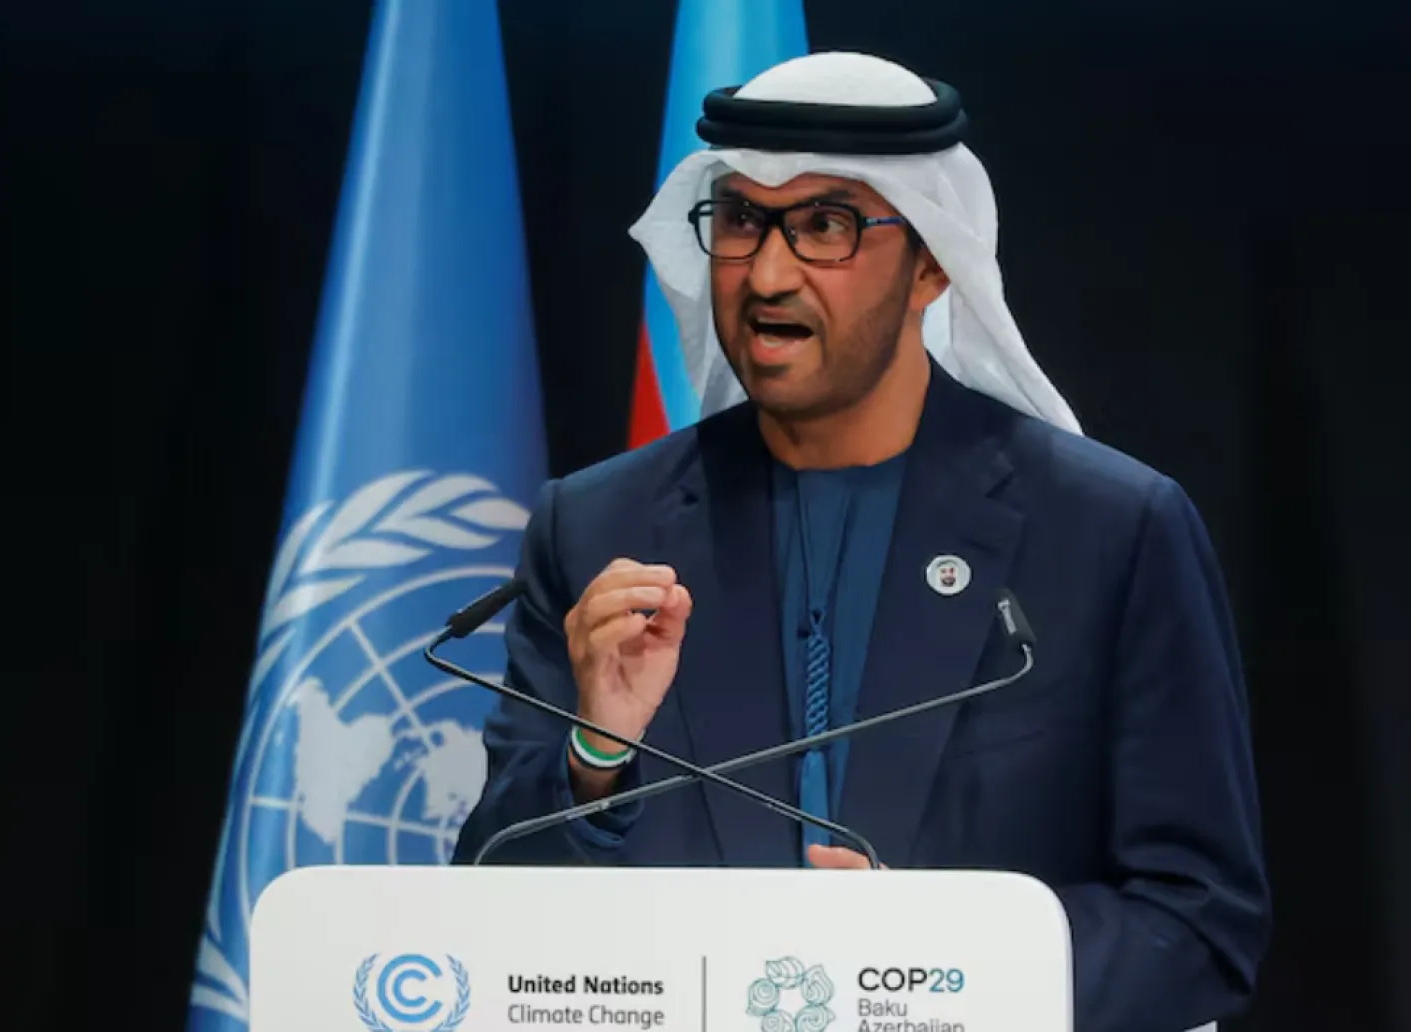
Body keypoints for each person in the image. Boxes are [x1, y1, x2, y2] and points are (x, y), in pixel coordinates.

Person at [452, 51, 1270, 1032]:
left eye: (826, 227)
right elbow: (490, 908)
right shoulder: (597, 528)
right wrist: (595, 750)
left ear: (932, 262)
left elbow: (1200, 925)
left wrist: (940, 969)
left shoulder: (1109, 532)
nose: (766, 273)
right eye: (743, 221)